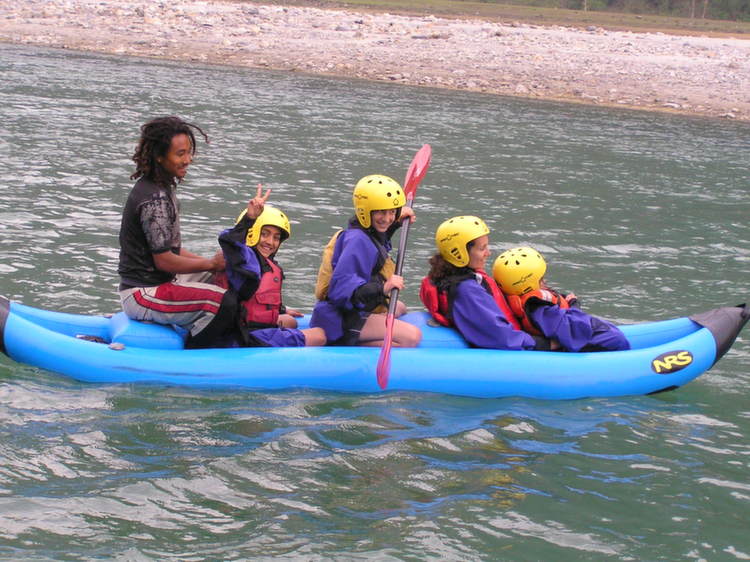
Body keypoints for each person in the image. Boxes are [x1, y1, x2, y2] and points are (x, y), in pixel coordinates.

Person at [118, 116, 241, 349]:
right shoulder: (154, 199)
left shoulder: (162, 186)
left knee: (228, 275)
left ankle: (267, 316)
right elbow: (164, 261)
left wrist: (219, 265)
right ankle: (193, 353)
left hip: (161, 283)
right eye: (180, 154)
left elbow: (172, 250)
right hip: (142, 294)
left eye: (189, 152)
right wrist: (211, 264)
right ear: (159, 156)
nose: (188, 159)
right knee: (225, 303)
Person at [310, 174, 422, 347]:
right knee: (412, 337)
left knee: (399, 307)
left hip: (358, 309)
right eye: (381, 212)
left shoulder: (367, 231)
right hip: (340, 319)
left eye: (392, 211)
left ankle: (372, 329)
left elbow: (376, 250)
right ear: (365, 212)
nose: (387, 218)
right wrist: (383, 288)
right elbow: (340, 292)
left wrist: (396, 223)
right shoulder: (357, 241)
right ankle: (351, 345)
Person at [214, 190, 326, 347]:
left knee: (291, 321)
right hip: (242, 336)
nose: (270, 242)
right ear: (252, 232)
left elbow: (254, 298)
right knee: (320, 336)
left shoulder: (265, 264)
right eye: (264, 234)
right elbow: (229, 241)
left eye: (276, 237)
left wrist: (281, 309)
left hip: (251, 329)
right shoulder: (242, 260)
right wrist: (250, 218)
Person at [420, 216, 545, 350]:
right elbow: (501, 336)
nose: (488, 253)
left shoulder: (448, 276)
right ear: (459, 254)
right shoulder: (467, 290)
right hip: (514, 344)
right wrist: (543, 344)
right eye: (482, 248)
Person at [492, 247, 630, 352]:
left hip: (562, 334)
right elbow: (571, 329)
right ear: (528, 284)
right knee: (617, 339)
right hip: (581, 343)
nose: (544, 282)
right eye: (541, 280)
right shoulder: (538, 308)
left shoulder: (524, 301)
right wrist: (574, 306)